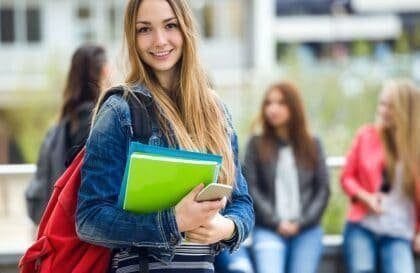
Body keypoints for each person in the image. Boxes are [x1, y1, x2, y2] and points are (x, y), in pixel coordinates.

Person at [76, 1, 254, 272]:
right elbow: (89, 219)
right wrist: (174, 222)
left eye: (170, 25)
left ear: (186, 29)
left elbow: (241, 202)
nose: (159, 41)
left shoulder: (216, 111)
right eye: (144, 29)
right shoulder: (119, 110)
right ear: (132, 37)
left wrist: (226, 227)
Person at [245, 81, 330, 273]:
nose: (273, 109)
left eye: (281, 103)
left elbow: (323, 190)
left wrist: (301, 222)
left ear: (294, 107)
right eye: (268, 103)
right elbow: (251, 188)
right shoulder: (256, 144)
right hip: (268, 228)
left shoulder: (313, 143)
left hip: (307, 230)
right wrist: (277, 222)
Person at [341, 79, 420, 273]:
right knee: (362, 268)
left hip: (399, 230)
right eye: (382, 104)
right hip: (363, 225)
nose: (383, 110)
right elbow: (346, 178)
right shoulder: (366, 135)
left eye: (391, 106)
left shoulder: (415, 147)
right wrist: (365, 197)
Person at [25, 44, 109, 224]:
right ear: (103, 70)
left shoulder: (63, 123)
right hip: (79, 229)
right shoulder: (97, 120)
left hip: (57, 220)